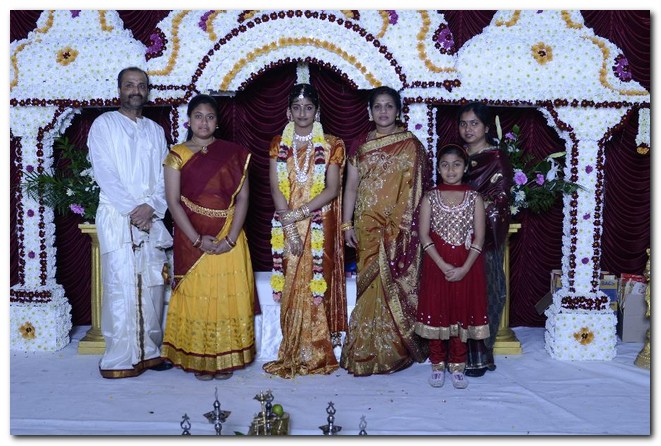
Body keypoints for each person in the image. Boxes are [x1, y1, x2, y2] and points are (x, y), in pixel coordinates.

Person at [160, 94, 257, 380]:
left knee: (226, 297)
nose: (204, 122)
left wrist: (231, 238)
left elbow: (243, 198)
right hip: (192, 238)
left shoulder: (235, 153)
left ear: (217, 122)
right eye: (198, 116)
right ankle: (200, 359)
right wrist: (196, 239)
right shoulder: (176, 155)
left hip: (229, 234)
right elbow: (173, 202)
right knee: (198, 296)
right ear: (189, 121)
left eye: (210, 117)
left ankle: (224, 358)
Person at [340, 86, 433, 376]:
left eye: (389, 106)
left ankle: (394, 349)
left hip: (399, 229)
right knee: (368, 287)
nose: (383, 111)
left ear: (398, 111)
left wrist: (405, 225)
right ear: (369, 112)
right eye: (378, 106)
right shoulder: (360, 145)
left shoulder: (411, 145)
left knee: (392, 282)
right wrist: (346, 224)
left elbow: (418, 192)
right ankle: (363, 347)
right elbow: (351, 187)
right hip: (366, 225)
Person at [87, 67, 173, 378]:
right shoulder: (104, 125)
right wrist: (134, 210)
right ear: (119, 89)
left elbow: (165, 175)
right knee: (120, 285)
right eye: (129, 85)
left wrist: (152, 207)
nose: (135, 90)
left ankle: (149, 352)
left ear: (147, 91)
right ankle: (120, 358)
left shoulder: (155, 130)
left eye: (141, 85)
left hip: (150, 217)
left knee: (153, 284)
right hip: (118, 216)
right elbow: (105, 173)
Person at [263, 83, 347, 379]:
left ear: (317, 111)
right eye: (296, 108)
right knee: (290, 282)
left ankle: (316, 352)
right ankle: (292, 348)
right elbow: (276, 187)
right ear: (288, 111)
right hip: (286, 223)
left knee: (316, 281)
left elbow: (332, 189)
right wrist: (289, 225)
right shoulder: (278, 143)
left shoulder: (332, 144)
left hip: (319, 221)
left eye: (308, 108)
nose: (302, 113)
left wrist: (300, 214)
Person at [415, 144, 489, 389]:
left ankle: (458, 364)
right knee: (437, 309)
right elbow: (424, 235)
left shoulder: (475, 198)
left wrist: (464, 268)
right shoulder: (430, 197)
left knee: (461, 310)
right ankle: (437, 364)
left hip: (467, 265)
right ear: (438, 168)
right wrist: (442, 264)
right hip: (437, 264)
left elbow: (480, 237)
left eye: (456, 165)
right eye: (445, 165)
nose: (450, 170)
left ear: (465, 168)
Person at [457, 102, 513, 377]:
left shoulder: (496, 158)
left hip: (483, 237)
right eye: (463, 124)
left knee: (486, 292)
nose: (468, 129)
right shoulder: (457, 156)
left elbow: (500, 200)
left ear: (487, 127)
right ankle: (457, 351)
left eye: (474, 124)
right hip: (454, 235)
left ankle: (481, 353)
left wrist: (471, 213)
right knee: (459, 294)